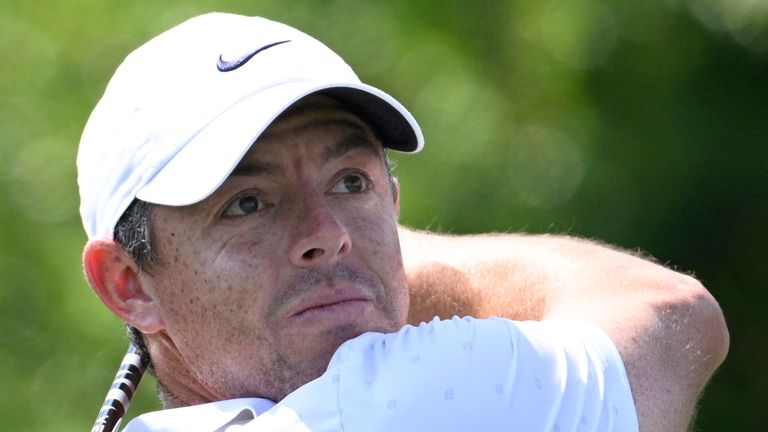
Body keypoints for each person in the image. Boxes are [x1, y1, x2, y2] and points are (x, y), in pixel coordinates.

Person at [77, 12, 728, 432]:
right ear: (128, 284)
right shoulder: (401, 401)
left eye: (350, 182)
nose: (327, 232)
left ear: (393, 198)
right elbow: (672, 315)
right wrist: (371, 260)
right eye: (248, 203)